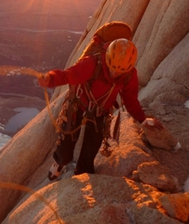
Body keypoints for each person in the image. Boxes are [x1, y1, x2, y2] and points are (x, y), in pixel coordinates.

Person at [38, 38, 162, 180]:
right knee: (66, 143)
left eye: (119, 72)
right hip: (77, 104)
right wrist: (50, 79)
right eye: (112, 68)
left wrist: (143, 119)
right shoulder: (92, 63)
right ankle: (60, 163)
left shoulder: (129, 75)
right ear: (107, 58)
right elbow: (69, 75)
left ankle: (81, 175)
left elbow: (130, 100)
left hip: (100, 111)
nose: (114, 74)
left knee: (90, 150)